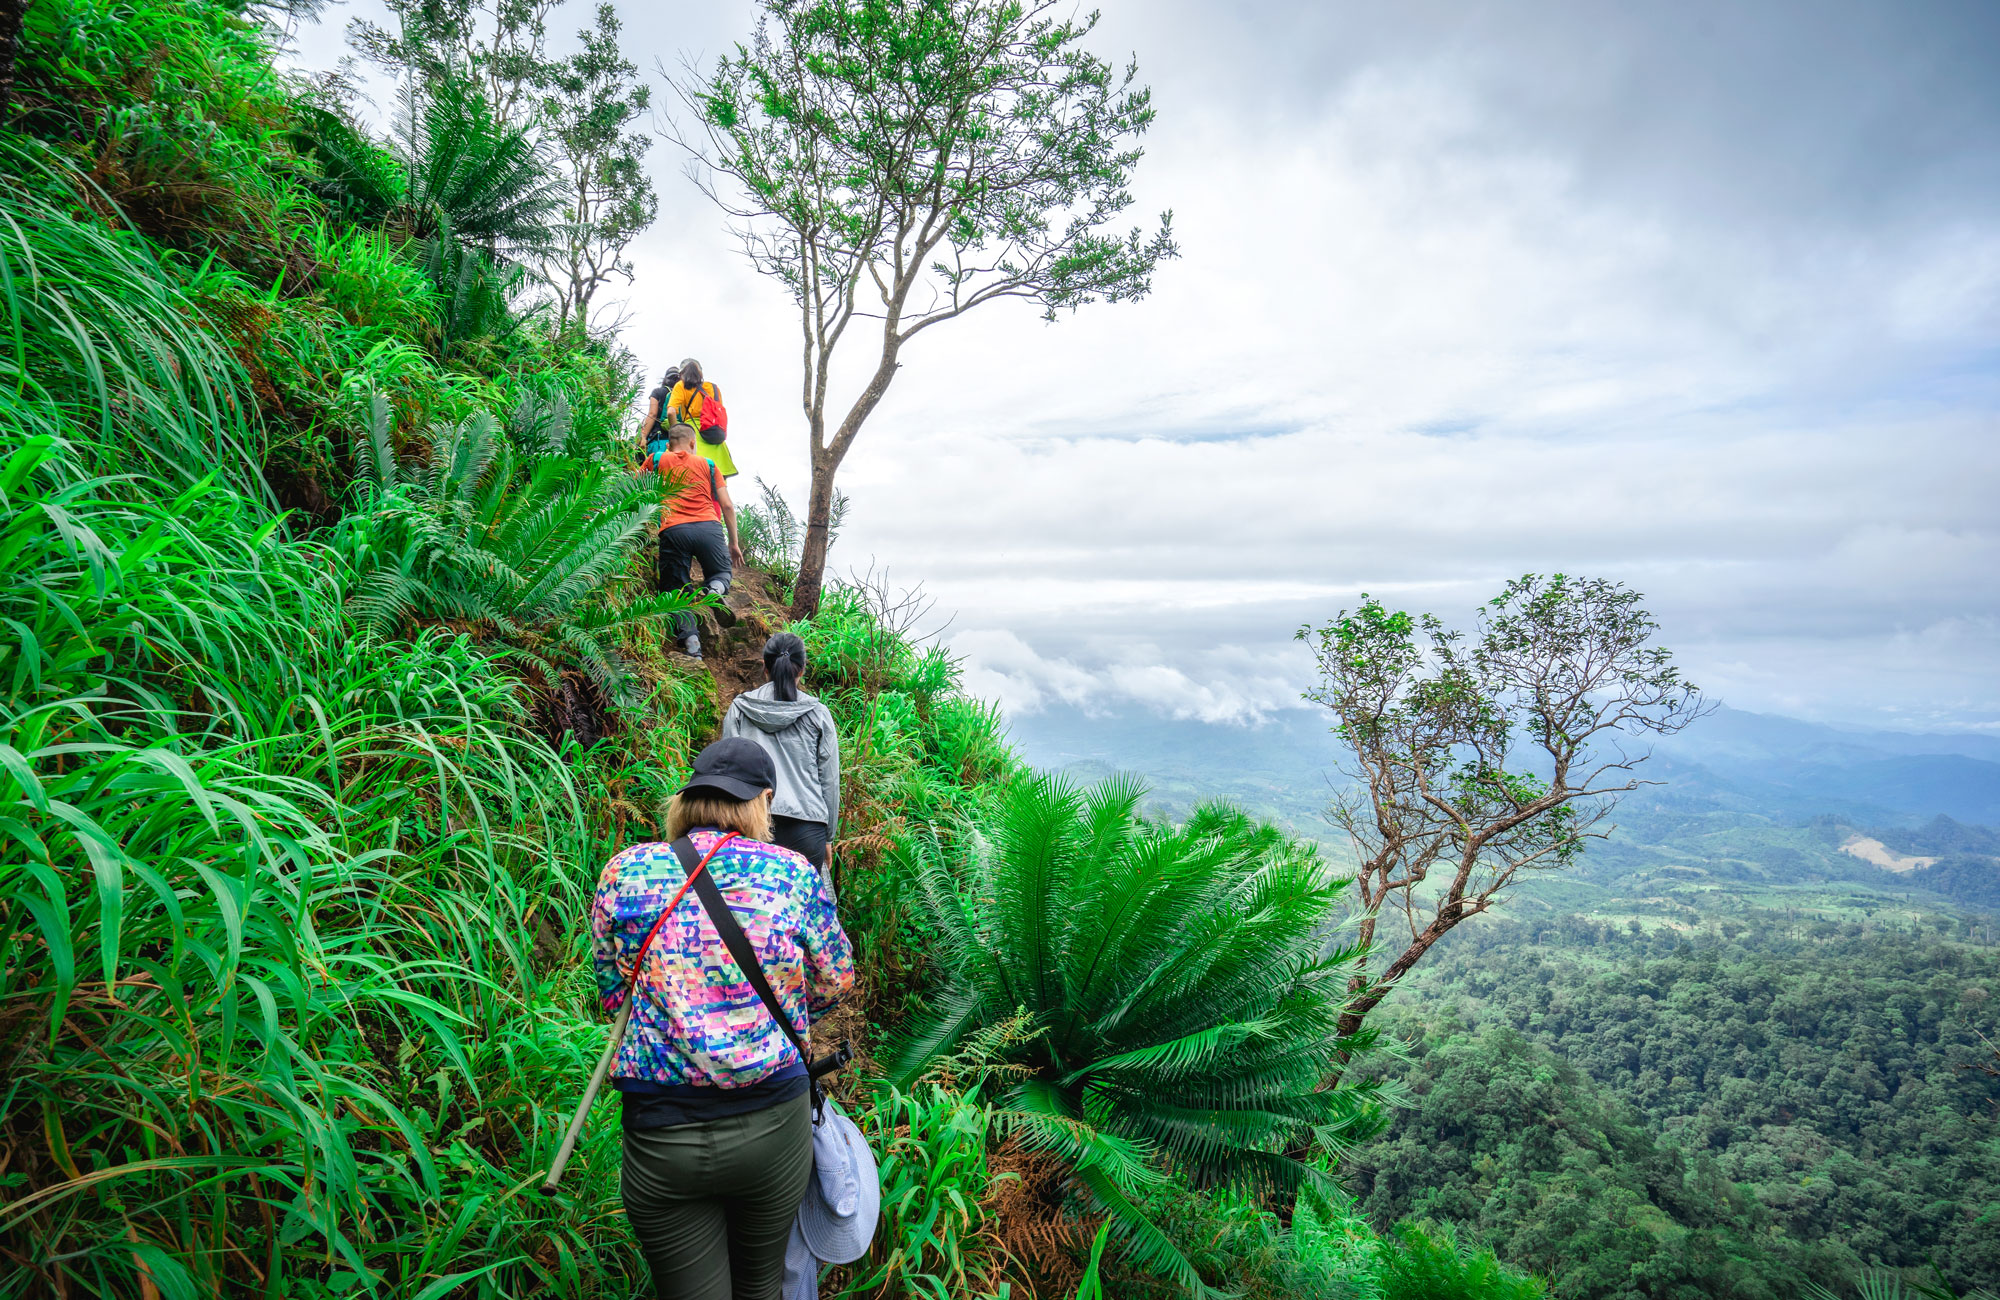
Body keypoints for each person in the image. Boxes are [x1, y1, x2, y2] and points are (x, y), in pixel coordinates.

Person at [592, 737, 854, 1300]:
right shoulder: (793, 874)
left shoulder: (626, 870)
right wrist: (780, 1008)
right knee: (760, 1286)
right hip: (772, 1129)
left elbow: (615, 995)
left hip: (661, 1134)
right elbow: (837, 978)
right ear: (762, 801)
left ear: (688, 798)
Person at [722, 633, 841, 897]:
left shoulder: (740, 709)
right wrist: (828, 837)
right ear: (803, 669)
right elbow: (829, 781)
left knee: (751, 914)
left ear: (765, 667)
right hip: (807, 829)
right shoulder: (817, 713)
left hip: (752, 824)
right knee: (803, 917)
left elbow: (727, 773)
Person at [651, 422, 744, 659]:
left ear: (669, 443)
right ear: (693, 443)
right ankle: (714, 590)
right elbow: (727, 506)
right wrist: (733, 544)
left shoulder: (655, 460)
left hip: (674, 530)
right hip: (709, 528)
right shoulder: (709, 465)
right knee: (722, 573)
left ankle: (692, 643)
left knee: (675, 590)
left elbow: (634, 491)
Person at [667, 358, 739, 480]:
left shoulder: (681, 386)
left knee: (684, 481)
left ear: (681, 374)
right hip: (715, 438)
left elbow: (671, 412)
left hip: (691, 436)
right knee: (717, 489)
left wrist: (676, 435)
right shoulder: (714, 388)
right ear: (700, 373)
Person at [638, 365, 682, 461]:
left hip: (658, 440)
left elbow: (652, 414)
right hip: (677, 443)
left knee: (655, 472)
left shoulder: (657, 392)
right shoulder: (682, 396)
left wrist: (643, 436)